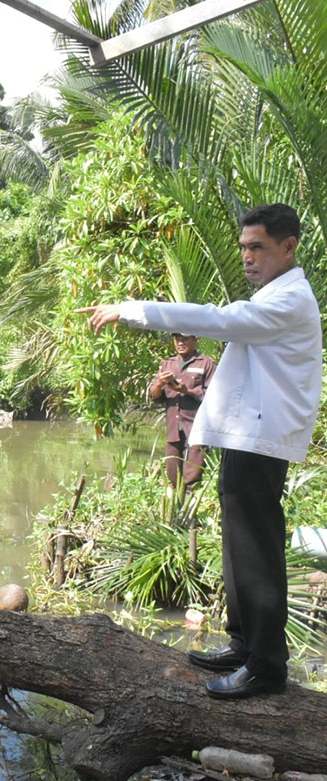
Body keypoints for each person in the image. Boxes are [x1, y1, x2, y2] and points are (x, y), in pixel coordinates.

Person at [77, 203, 322, 700]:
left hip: (260, 438)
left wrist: (133, 310)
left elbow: (215, 319)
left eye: (258, 247)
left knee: (256, 550)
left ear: (288, 247)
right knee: (237, 546)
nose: (247, 257)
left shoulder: (289, 300)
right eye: (243, 247)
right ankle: (243, 645)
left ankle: (267, 666)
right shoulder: (272, 296)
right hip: (245, 436)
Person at [147, 333, 216, 488]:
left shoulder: (206, 363)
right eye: (177, 339)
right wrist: (159, 384)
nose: (180, 343)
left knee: (192, 479)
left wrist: (187, 391)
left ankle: (190, 503)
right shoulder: (168, 364)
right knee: (173, 477)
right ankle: (176, 503)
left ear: (196, 340)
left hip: (197, 430)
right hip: (174, 430)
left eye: (185, 339)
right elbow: (154, 395)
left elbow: (214, 397)